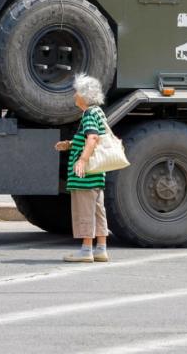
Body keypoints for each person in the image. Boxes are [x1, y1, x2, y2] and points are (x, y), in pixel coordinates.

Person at [55, 74, 110, 263]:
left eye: (76, 92)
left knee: (85, 211)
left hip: (85, 175)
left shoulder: (88, 114)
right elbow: (94, 136)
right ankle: (101, 249)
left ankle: (86, 250)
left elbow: (92, 138)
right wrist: (70, 144)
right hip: (97, 173)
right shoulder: (98, 112)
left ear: (84, 95)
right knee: (97, 211)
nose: (74, 96)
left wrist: (81, 161)